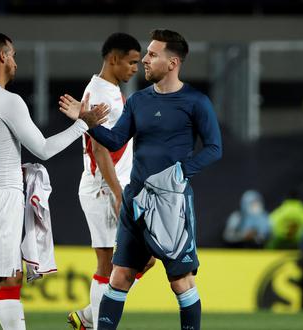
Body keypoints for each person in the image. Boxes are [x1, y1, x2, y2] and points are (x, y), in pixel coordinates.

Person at [64, 29, 222, 330]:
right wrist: (87, 122)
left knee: (181, 281)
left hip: (171, 202)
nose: (145, 60)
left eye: (152, 54)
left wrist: (180, 172)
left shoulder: (195, 101)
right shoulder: (138, 100)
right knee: (120, 274)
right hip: (135, 201)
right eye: (146, 54)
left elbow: (214, 148)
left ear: (173, 62)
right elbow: (113, 140)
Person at [0, 32, 108, 330]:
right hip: (1, 198)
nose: (14, 61)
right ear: (2, 56)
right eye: (12, 54)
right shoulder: (7, 100)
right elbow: (43, 149)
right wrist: (83, 124)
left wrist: (9, 164)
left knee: (11, 278)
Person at [61, 33, 154, 330]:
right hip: (103, 188)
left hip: (116, 185)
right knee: (108, 264)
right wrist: (117, 194)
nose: (135, 68)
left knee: (145, 258)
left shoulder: (108, 89)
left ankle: (90, 316)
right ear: (113, 59)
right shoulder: (100, 93)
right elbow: (100, 149)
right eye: (132, 62)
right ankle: (97, 322)